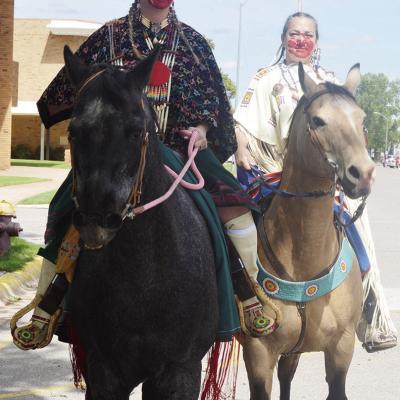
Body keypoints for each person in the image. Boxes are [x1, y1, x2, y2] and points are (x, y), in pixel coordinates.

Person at [12, 0, 279, 351]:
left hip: (184, 152)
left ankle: (248, 292)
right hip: (117, 154)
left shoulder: (194, 45)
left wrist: (201, 129)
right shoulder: (108, 36)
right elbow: (68, 95)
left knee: (237, 208)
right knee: (65, 205)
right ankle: (49, 304)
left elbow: (214, 106)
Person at [234, 11, 397, 352]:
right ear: (283, 39)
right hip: (273, 172)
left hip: (327, 179)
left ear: (317, 42)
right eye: (294, 33)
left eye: (308, 34)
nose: (301, 40)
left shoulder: (330, 80)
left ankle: (368, 312)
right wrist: (240, 147)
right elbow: (242, 122)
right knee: (236, 229)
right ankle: (235, 304)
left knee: (358, 230)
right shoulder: (265, 78)